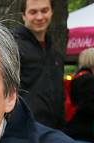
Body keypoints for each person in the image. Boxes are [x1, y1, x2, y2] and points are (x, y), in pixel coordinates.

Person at [12, 0, 64, 129]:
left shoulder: (54, 52)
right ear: (24, 15)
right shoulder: (13, 47)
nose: (39, 17)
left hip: (53, 130)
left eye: (44, 11)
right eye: (33, 12)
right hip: (23, 129)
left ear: (52, 12)